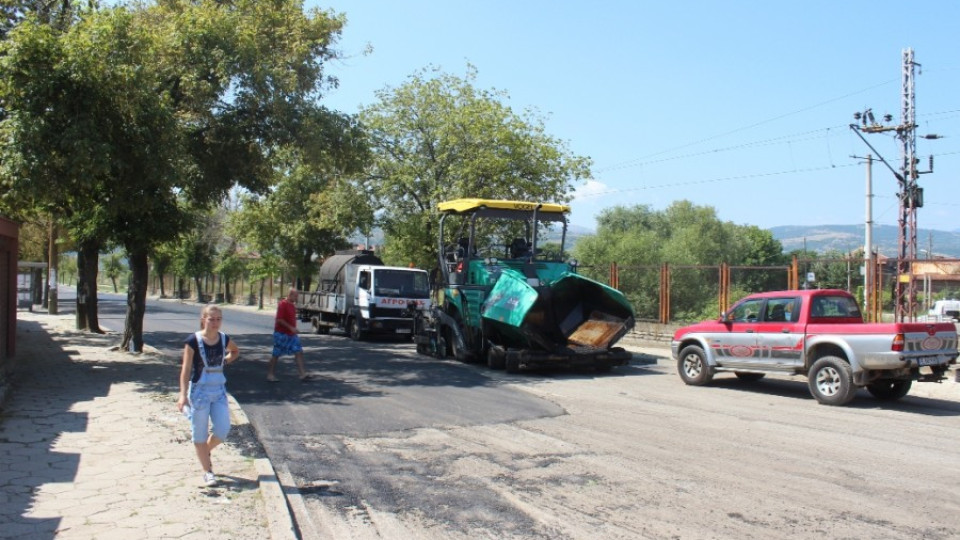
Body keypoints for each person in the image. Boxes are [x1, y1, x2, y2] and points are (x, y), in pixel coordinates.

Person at [177, 305, 240, 487]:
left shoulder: (223, 338)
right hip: (199, 393)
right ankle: (207, 471)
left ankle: (205, 451)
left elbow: (235, 351)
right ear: (204, 319)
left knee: (222, 429)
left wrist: (226, 360)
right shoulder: (193, 341)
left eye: (218, 319)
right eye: (211, 319)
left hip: (219, 390)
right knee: (199, 434)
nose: (215, 323)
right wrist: (183, 395)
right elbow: (186, 369)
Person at [266, 288, 310, 382]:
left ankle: (302, 374)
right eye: (295, 296)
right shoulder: (283, 304)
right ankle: (270, 374)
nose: (296, 298)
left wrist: (293, 329)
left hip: (291, 335)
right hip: (281, 334)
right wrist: (291, 327)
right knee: (276, 354)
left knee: (298, 351)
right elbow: (279, 319)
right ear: (290, 295)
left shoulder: (292, 306)